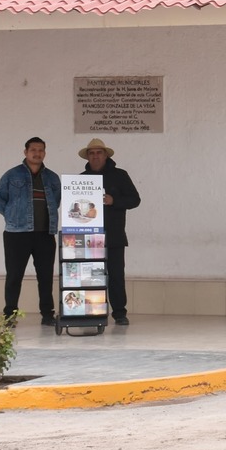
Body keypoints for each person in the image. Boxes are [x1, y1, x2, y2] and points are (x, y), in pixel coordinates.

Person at [0, 137, 62, 324]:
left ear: (45, 153)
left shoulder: (52, 178)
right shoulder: (12, 175)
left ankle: (47, 315)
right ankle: (10, 315)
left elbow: (57, 201)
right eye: (33, 150)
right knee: (14, 275)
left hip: (45, 234)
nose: (37, 153)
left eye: (41, 150)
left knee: (45, 277)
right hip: (16, 235)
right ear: (26, 152)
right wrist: (13, 216)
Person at [78, 138, 141, 325]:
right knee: (90, 277)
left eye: (99, 152)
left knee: (116, 276)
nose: (95, 156)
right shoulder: (81, 179)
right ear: (87, 157)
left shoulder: (120, 175)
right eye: (92, 153)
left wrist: (115, 201)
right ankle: (91, 312)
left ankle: (119, 313)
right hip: (88, 237)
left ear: (105, 155)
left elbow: (135, 200)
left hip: (114, 236)